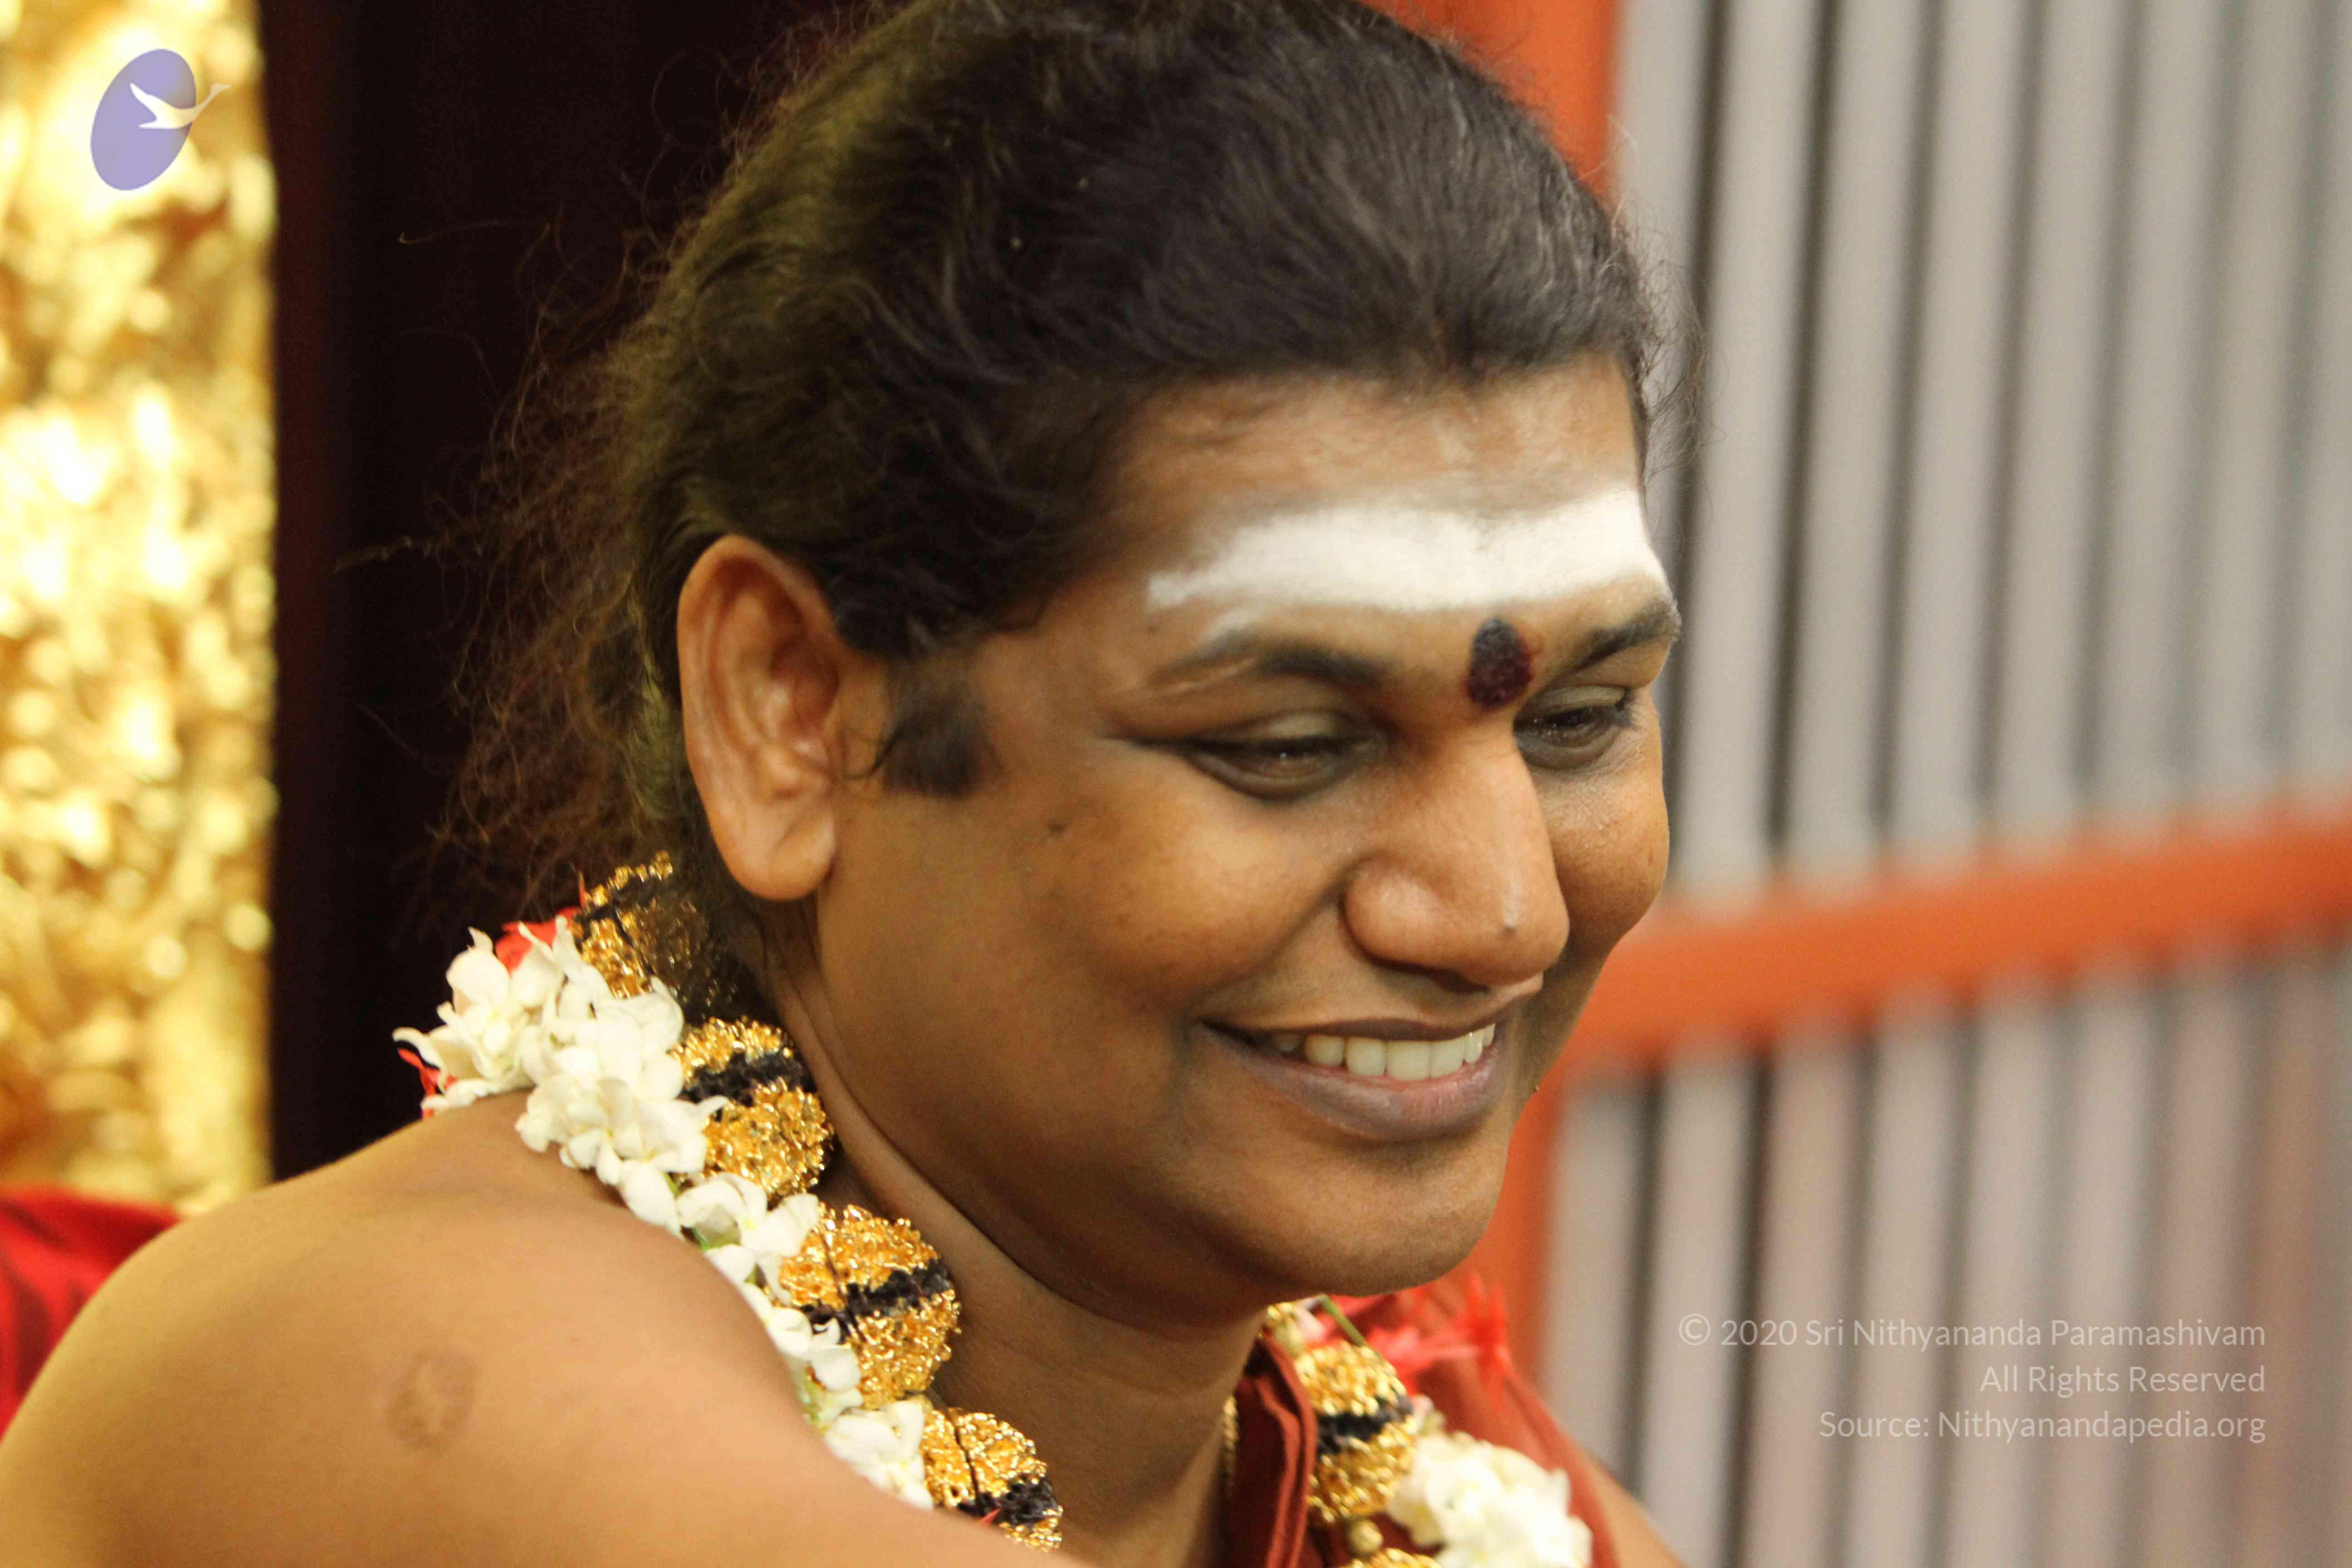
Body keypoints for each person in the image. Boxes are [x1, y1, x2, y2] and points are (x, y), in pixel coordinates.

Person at [0, 1, 1687, 1563]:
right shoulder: (424, 1358)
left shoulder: (1421, 1451)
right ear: (790, 711)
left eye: (1577, 721)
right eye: (1289, 745)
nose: (1504, 912)